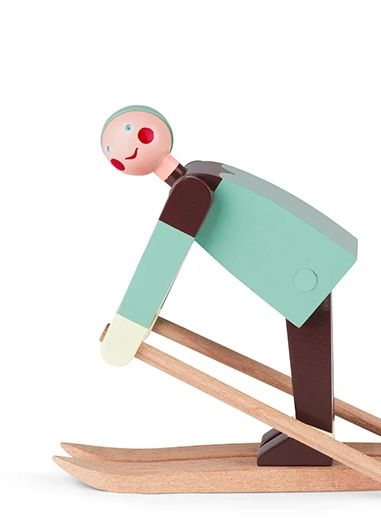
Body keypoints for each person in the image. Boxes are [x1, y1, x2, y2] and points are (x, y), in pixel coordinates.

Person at [100, 105, 358, 466]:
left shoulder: (191, 187)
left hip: (301, 273)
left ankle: (313, 443)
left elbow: (164, 254)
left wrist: (129, 327)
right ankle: (311, 433)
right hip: (306, 263)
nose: (126, 152)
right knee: (309, 342)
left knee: (309, 340)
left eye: (135, 136)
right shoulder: (202, 171)